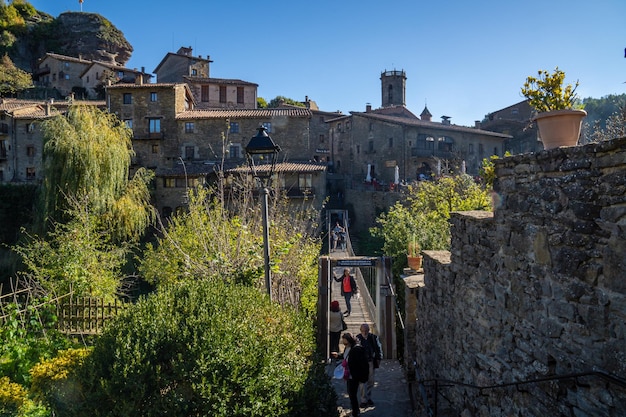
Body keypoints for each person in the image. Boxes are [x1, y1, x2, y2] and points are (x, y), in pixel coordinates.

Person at [332, 333, 369, 417]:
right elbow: (346, 356)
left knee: (352, 393)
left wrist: (362, 375)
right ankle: (355, 410)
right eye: (344, 343)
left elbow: (362, 363)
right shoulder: (348, 348)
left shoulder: (357, 349)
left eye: (346, 343)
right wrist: (338, 355)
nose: (345, 344)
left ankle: (355, 412)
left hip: (355, 375)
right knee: (351, 393)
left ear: (350, 341)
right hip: (349, 374)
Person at [356, 323, 382, 408]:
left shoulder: (373, 338)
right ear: (360, 331)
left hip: (370, 362)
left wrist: (378, 358)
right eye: (363, 331)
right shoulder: (357, 339)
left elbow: (378, 349)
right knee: (363, 381)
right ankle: (363, 399)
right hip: (361, 363)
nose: (364, 332)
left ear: (368, 330)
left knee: (371, 381)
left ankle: (368, 397)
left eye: (366, 330)